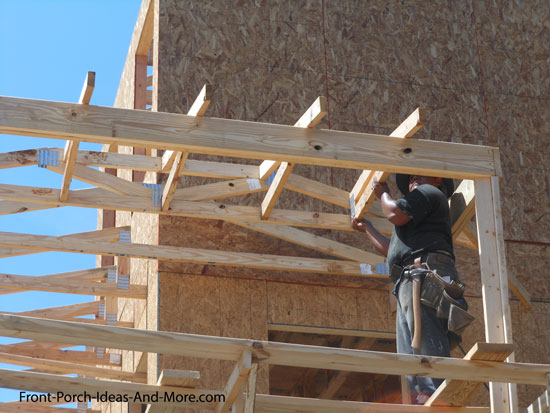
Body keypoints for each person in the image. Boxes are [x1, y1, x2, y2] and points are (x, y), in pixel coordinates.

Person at [352, 174, 460, 404]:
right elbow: (392, 251)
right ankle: (422, 398)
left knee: (426, 335)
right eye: (411, 179)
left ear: (438, 180)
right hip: (409, 275)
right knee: (410, 347)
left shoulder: (431, 193)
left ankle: (436, 393)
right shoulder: (419, 216)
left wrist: (382, 192)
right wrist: (368, 228)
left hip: (424, 271)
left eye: (419, 176)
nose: (414, 181)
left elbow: (394, 213)